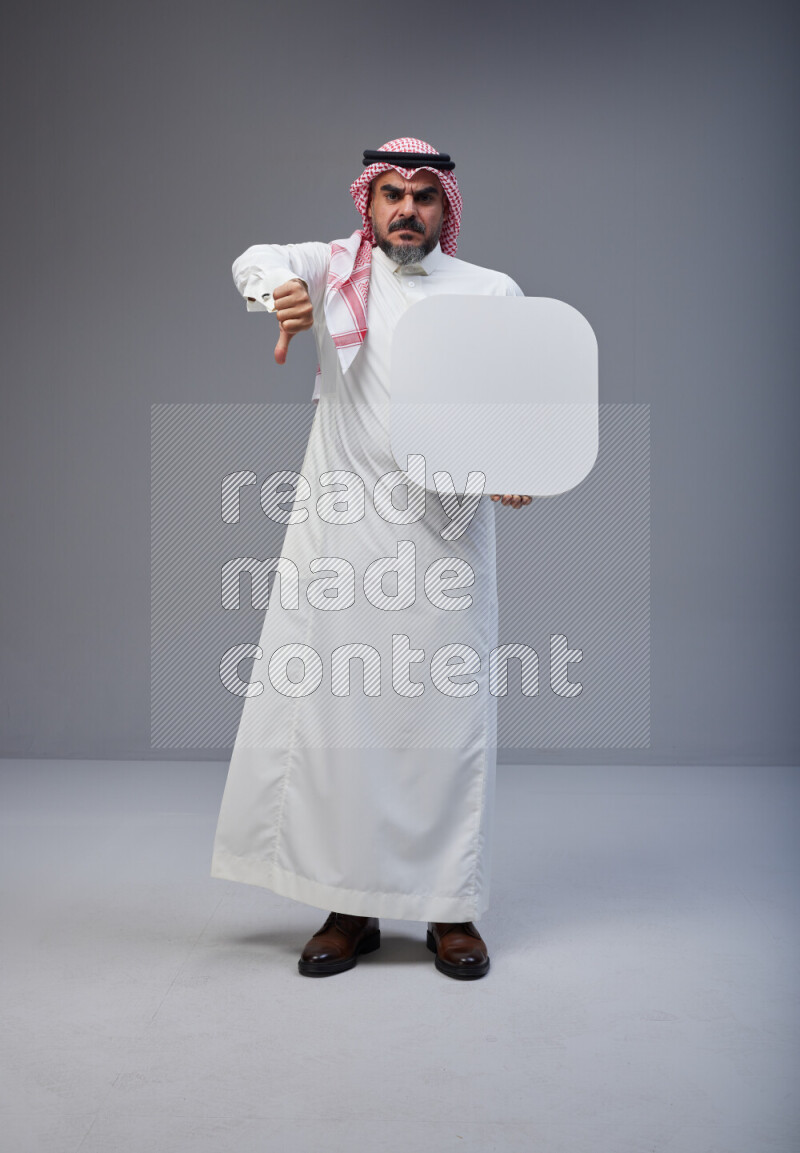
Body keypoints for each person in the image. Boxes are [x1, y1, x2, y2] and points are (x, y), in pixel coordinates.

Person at [211, 137, 531, 980]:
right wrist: (273, 290)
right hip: (347, 533)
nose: (406, 210)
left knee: (446, 723)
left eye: (424, 197)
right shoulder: (330, 269)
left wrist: (517, 463)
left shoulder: (491, 292)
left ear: (445, 208)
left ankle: (451, 909)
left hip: (448, 537)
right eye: (391, 193)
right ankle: (349, 907)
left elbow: (519, 399)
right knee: (341, 722)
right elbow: (258, 256)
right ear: (368, 201)